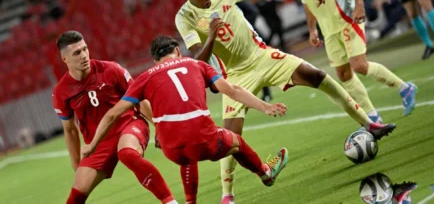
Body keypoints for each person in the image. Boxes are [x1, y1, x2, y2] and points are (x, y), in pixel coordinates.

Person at [174, 0, 396, 204]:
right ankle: (227, 197)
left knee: (318, 76)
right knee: (230, 138)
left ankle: (369, 124)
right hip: (235, 76)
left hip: (263, 57)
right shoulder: (184, 18)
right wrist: (211, 36)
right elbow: (199, 60)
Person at [81, 36, 289, 204]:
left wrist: (92, 145)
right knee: (236, 141)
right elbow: (232, 90)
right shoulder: (196, 64)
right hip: (204, 141)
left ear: (155, 61)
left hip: (172, 149)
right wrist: (265, 106)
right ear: (178, 51)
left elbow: (112, 114)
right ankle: (266, 173)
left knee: (186, 156)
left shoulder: (145, 77)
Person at [281, 0, 416, 124]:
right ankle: (373, 117)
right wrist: (312, 29)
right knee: (344, 74)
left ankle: (404, 88)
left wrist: (359, 6)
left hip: (347, 19)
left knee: (359, 66)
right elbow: (306, 1)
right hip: (328, 29)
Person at [52, 31, 177, 204]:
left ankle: (170, 202)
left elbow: (140, 100)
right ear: (65, 59)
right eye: (77, 53)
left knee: (127, 153)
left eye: (85, 49)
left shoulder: (111, 69)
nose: (84, 55)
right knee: (74, 198)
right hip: (98, 141)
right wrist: (77, 165)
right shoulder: (61, 92)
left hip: (129, 124)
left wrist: (159, 128)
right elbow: (70, 130)